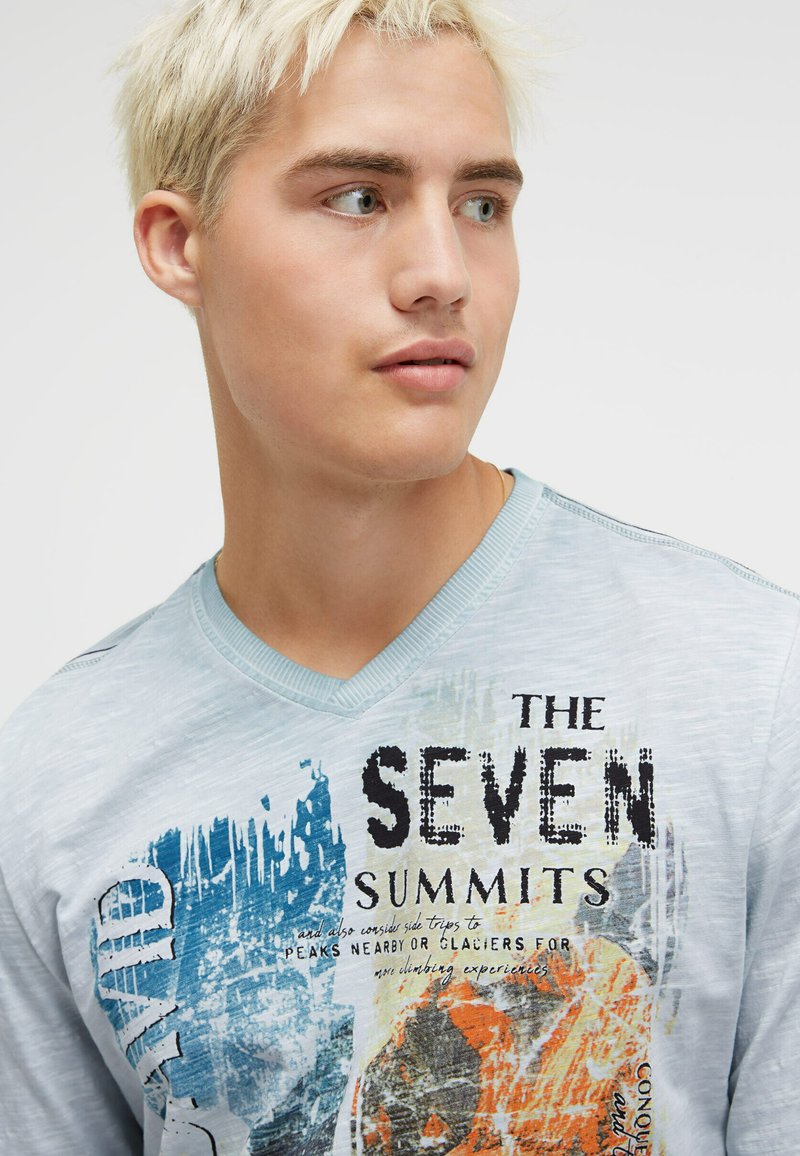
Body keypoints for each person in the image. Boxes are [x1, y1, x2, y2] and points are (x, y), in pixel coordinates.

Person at [0, 0, 797, 1152]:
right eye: (358, 197)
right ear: (179, 244)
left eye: (481, 205)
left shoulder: (754, 693)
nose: (441, 273)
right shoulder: (53, 782)